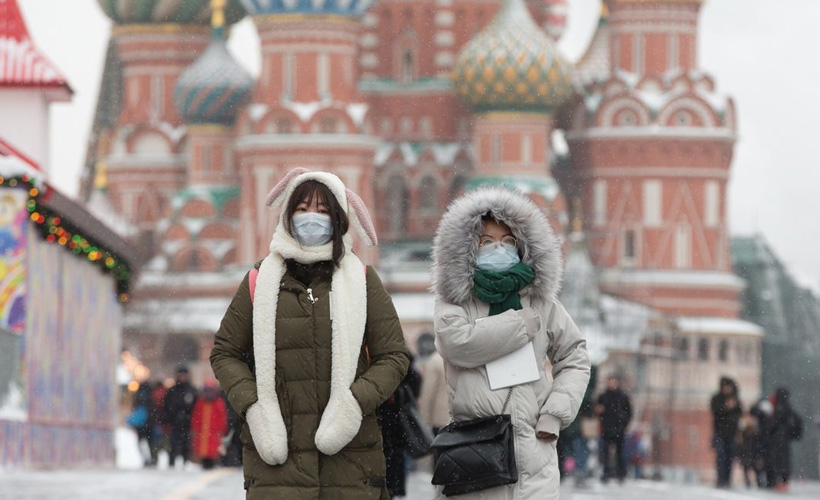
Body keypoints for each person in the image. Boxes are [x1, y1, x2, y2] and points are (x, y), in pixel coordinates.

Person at [210, 169, 410, 499]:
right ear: (287, 217)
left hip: (350, 461)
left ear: (339, 219)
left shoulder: (361, 280)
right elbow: (224, 352)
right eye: (301, 209)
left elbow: (393, 356)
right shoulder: (260, 281)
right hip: (277, 463)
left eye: (322, 210)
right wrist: (255, 407)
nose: (311, 218)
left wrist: (354, 403)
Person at [431, 187, 590, 499]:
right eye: (486, 242)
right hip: (475, 456)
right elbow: (458, 344)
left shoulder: (541, 302)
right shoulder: (456, 301)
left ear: (522, 247)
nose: (498, 249)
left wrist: (555, 414)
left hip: (535, 456)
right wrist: (521, 323)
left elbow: (574, 355)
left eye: (507, 242)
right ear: (468, 250)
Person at [379, 363, 422, 498]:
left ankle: (391, 490)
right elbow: (415, 380)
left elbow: (415, 380)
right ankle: (392, 490)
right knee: (393, 457)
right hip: (392, 420)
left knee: (390, 457)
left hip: (389, 419)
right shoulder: (398, 358)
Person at [764, 388, 803, 492]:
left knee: (776, 461)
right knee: (784, 461)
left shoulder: (776, 409)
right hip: (785, 440)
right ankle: (783, 482)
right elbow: (797, 422)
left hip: (777, 440)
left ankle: (778, 482)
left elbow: (771, 425)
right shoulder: (788, 409)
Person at [596, 375, 632, 483]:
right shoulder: (603, 396)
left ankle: (621, 473)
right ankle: (606, 473)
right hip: (606, 428)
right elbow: (598, 410)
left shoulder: (623, 396)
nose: (612, 384)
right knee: (605, 451)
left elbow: (629, 412)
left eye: (613, 382)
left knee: (620, 452)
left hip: (619, 428)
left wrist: (624, 423)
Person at [163, 365, 197, 469]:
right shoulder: (173, 390)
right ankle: (171, 463)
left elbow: (195, 407)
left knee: (186, 444)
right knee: (173, 443)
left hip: (187, 422)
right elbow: (167, 406)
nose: (182, 377)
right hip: (175, 422)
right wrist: (169, 419)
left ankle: (185, 462)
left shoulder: (191, 390)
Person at [710, 377, 742, 488]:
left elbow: (739, 414)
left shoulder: (735, 400)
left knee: (729, 457)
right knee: (721, 456)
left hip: (731, 433)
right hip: (720, 432)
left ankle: (727, 479)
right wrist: (726, 407)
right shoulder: (717, 399)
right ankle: (720, 479)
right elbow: (716, 412)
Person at [191, 379, 229, 470]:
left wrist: (221, 430)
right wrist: (195, 428)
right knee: (203, 448)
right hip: (203, 431)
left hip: (214, 432)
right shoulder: (201, 403)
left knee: (213, 449)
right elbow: (196, 417)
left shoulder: (219, 403)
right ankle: (205, 462)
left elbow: (222, 418)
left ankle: (212, 462)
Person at [127, 382, 155, 467]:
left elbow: (134, 408)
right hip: (148, 423)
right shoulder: (150, 397)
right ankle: (150, 458)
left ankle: (146, 458)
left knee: (141, 441)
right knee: (150, 442)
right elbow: (153, 410)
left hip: (140, 425)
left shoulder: (138, 396)